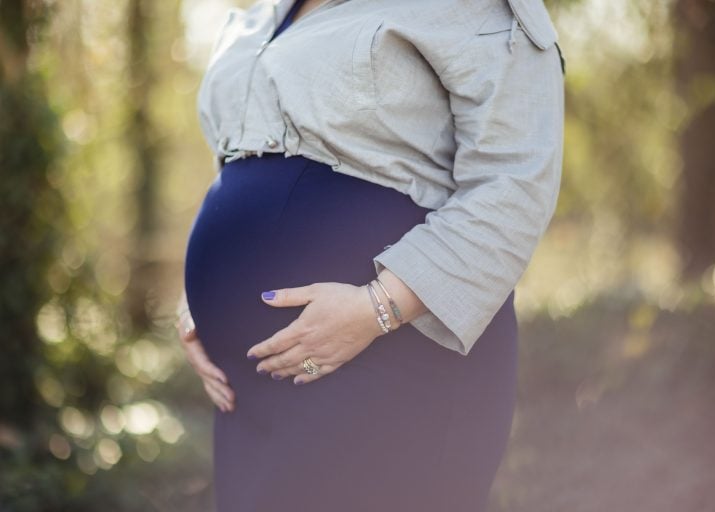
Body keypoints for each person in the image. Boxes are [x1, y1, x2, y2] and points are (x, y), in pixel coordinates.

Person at [175, 0, 564, 510]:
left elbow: (513, 183)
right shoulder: (261, 14)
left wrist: (378, 306)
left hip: (391, 356)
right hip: (252, 388)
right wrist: (201, 301)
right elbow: (240, 161)